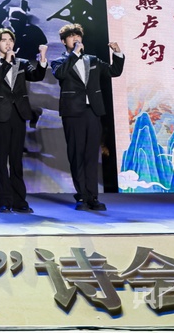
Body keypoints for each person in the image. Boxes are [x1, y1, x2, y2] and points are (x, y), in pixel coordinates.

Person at [50, 23, 124, 211]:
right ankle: (82, 196)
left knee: (91, 155)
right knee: (77, 154)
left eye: (78, 36)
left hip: (92, 110)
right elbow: (61, 74)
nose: (76, 39)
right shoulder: (59, 62)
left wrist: (117, 53)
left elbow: (114, 71)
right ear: (63, 41)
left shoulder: (92, 60)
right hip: (73, 112)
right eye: (71, 37)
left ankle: (93, 197)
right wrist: (74, 54)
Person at [0, 28, 48, 213]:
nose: (8, 43)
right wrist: (7, 62)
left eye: (10, 40)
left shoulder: (22, 63)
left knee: (16, 160)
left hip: (18, 115)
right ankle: (3, 201)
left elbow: (37, 76)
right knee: (1, 160)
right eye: (4, 40)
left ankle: (19, 201)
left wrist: (42, 58)